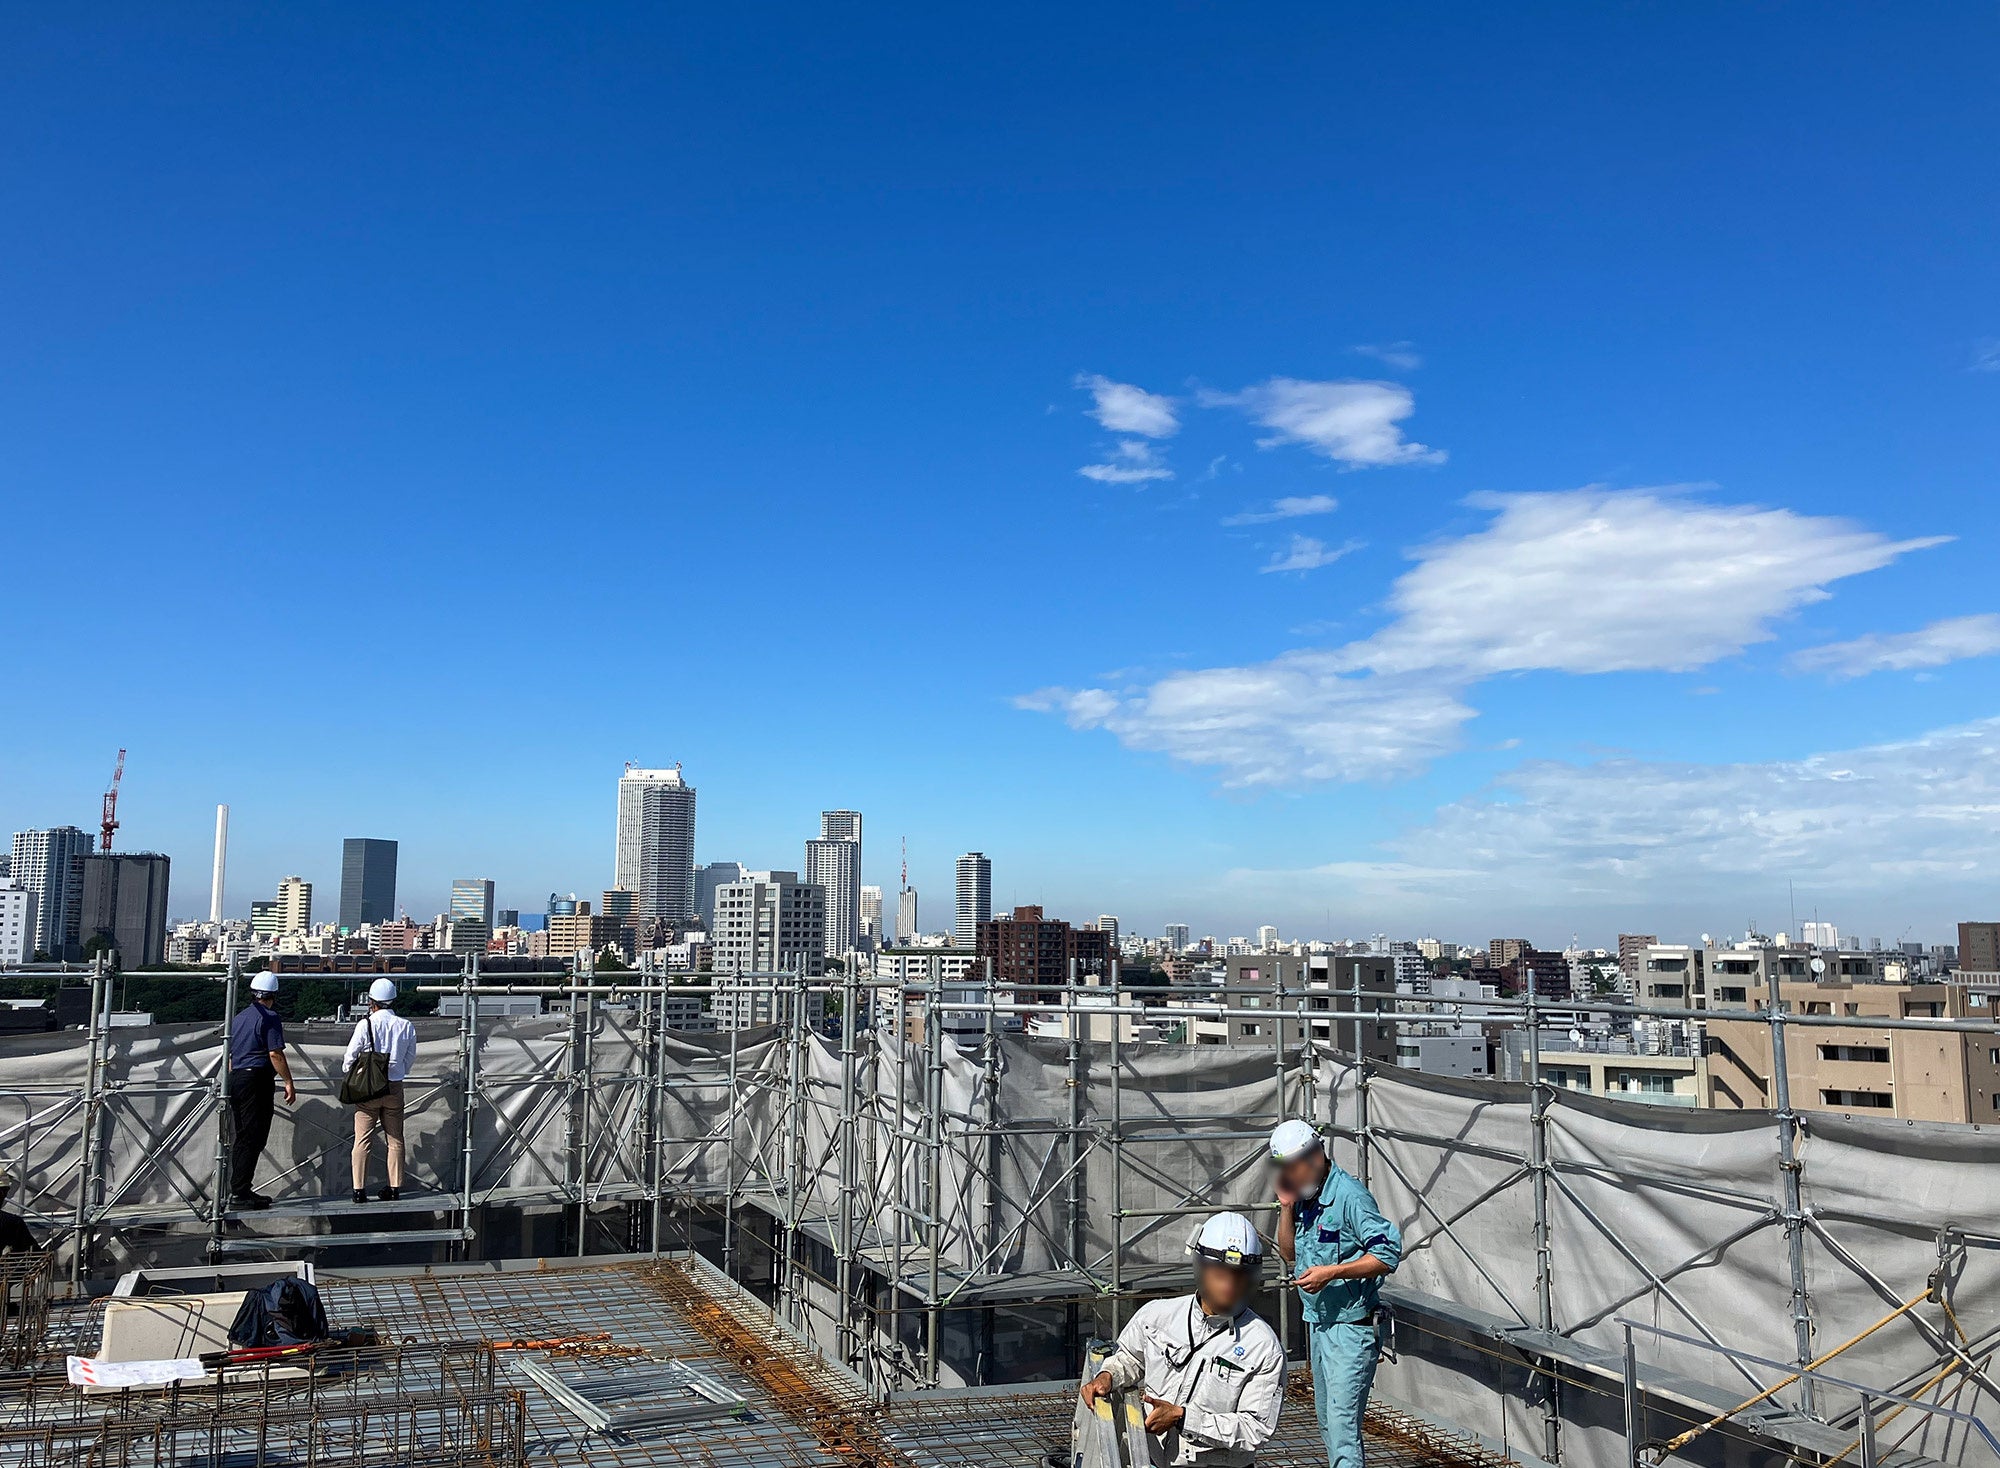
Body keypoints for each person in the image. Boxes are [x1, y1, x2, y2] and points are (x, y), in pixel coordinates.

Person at [1078, 1211, 1285, 1466]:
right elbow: (1129, 1357)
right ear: (1201, 1266)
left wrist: (1183, 1418)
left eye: (1240, 1274)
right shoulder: (1157, 1316)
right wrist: (1108, 1375)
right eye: (1220, 1271)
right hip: (1152, 1458)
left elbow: (1257, 1427)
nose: (1230, 1283)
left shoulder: (1263, 1346)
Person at [1271, 1119, 1402, 1468]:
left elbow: (1388, 1254)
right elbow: (1289, 1254)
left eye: (1292, 1169)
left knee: (1343, 1430)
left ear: (1314, 1157)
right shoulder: (1303, 1198)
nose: (1290, 1178)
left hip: (1351, 1329)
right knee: (1329, 1425)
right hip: (1320, 1324)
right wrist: (1285, 1207)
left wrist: (1332, 1273)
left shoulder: (1349, 1197)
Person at [343, 978, 417, 1204]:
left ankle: (358, 1190)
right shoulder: (406, 1026)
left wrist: (353, 1074)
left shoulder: (365, 1025)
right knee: (395, 1139)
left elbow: (349, 1058)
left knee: (362, 1140)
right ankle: (394, 1188)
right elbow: (409, 1059)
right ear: (393, 1000)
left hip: (369, 1089)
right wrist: (397, 1072)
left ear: (371, 1002)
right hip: (394, 1087)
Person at [226, 971, 295, 1209]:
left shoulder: (238, 1018)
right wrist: (288, 1081)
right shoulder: (269, 1018)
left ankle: (240, 1188)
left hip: (237, 1078)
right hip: (257, 1079)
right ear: (272, 996)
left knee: (243, 1135)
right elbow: (275, 1053)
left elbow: (231, 1055)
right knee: (253, 1136)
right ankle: (240, 1192)